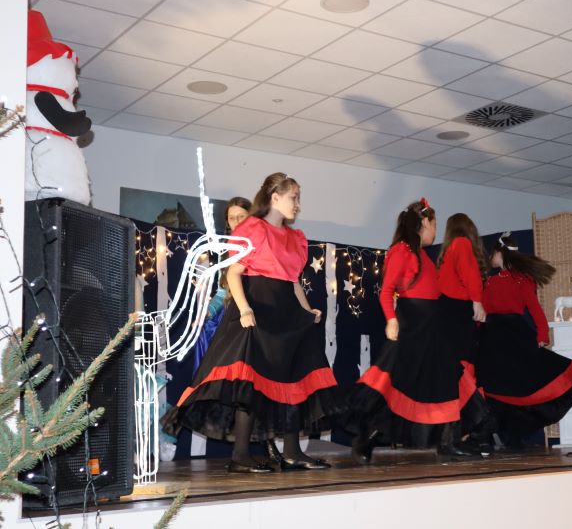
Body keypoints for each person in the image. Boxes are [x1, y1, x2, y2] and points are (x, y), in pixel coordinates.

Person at [163, 173, 339, 473]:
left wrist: (308, 310)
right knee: (250, 385)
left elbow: (293, 282)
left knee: (294, 380)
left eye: (298, 197)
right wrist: (244, 309)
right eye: (293, 197)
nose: (297, 203)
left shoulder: (296, 238)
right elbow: (234, 273)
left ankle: (293, 452)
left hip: (287, 314)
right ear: (275, 197)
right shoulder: (253, 228)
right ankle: (240, 456)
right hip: (258, 310)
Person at [348, 198, 484, 464]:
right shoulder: (401, 251)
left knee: (445, 379)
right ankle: (368, 437)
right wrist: (391, 320)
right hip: (413, 325)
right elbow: (386, 291)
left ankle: (447, 442)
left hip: (433, 326)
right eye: (434, 224)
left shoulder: (423, 255)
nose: (436, 230)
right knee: (400, 383)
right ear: (424, 222)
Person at [477, 232, 572, 447]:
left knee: (516, 384)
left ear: (499, 253)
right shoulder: (490, 281)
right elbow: (482, 312)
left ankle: (508, 434)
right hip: (493, 337)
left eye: (492, 253)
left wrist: (542, 334)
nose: (490, 258)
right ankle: (495, 432)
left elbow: (534, 308)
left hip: (510, 335)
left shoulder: (521, 279)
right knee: (496, 386)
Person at [436, 213, 493, 448]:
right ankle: (471, 428)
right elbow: (470, 275)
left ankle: (460, 433)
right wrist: (477, 302)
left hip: (448, 313)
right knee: (464, 369)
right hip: (458, 314)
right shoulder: (462, 244)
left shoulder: (447, 251)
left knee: (457, 372)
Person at [193, 196, 252, 375]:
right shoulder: (225, 250)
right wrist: (207, 313)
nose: (236, 222)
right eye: (232, 218)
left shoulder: (258, 245)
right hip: (230, 312)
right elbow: (221, 293)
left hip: (253, 311)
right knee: (204, 332)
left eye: (241, 216)